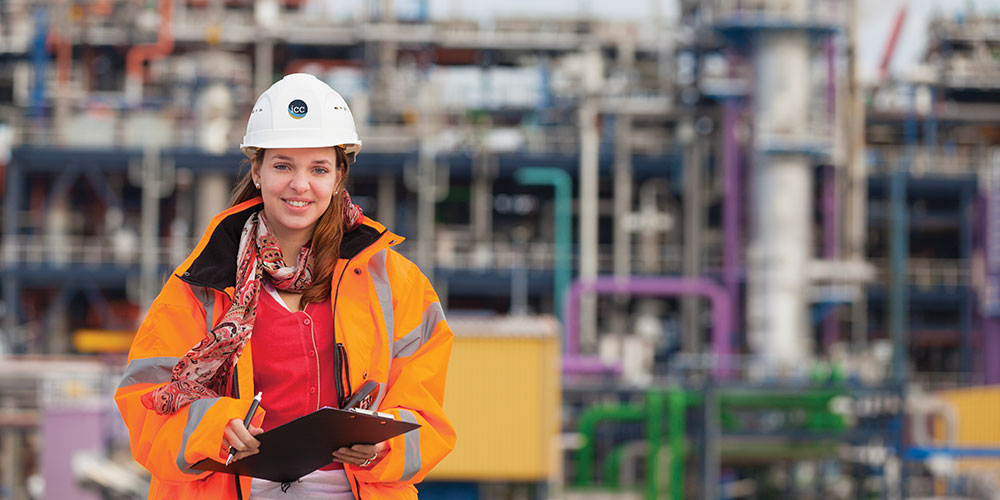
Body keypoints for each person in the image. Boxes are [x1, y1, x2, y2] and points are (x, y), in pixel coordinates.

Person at [115, 73, 456, 499]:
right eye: (283, 166)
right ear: (256, 170)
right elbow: (143, 401)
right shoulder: (201, 284)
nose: (300, 185)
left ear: (338, 177)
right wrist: (212, 427)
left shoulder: (395, 283)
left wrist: (386, 443)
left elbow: (427, 414)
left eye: (318, 169)